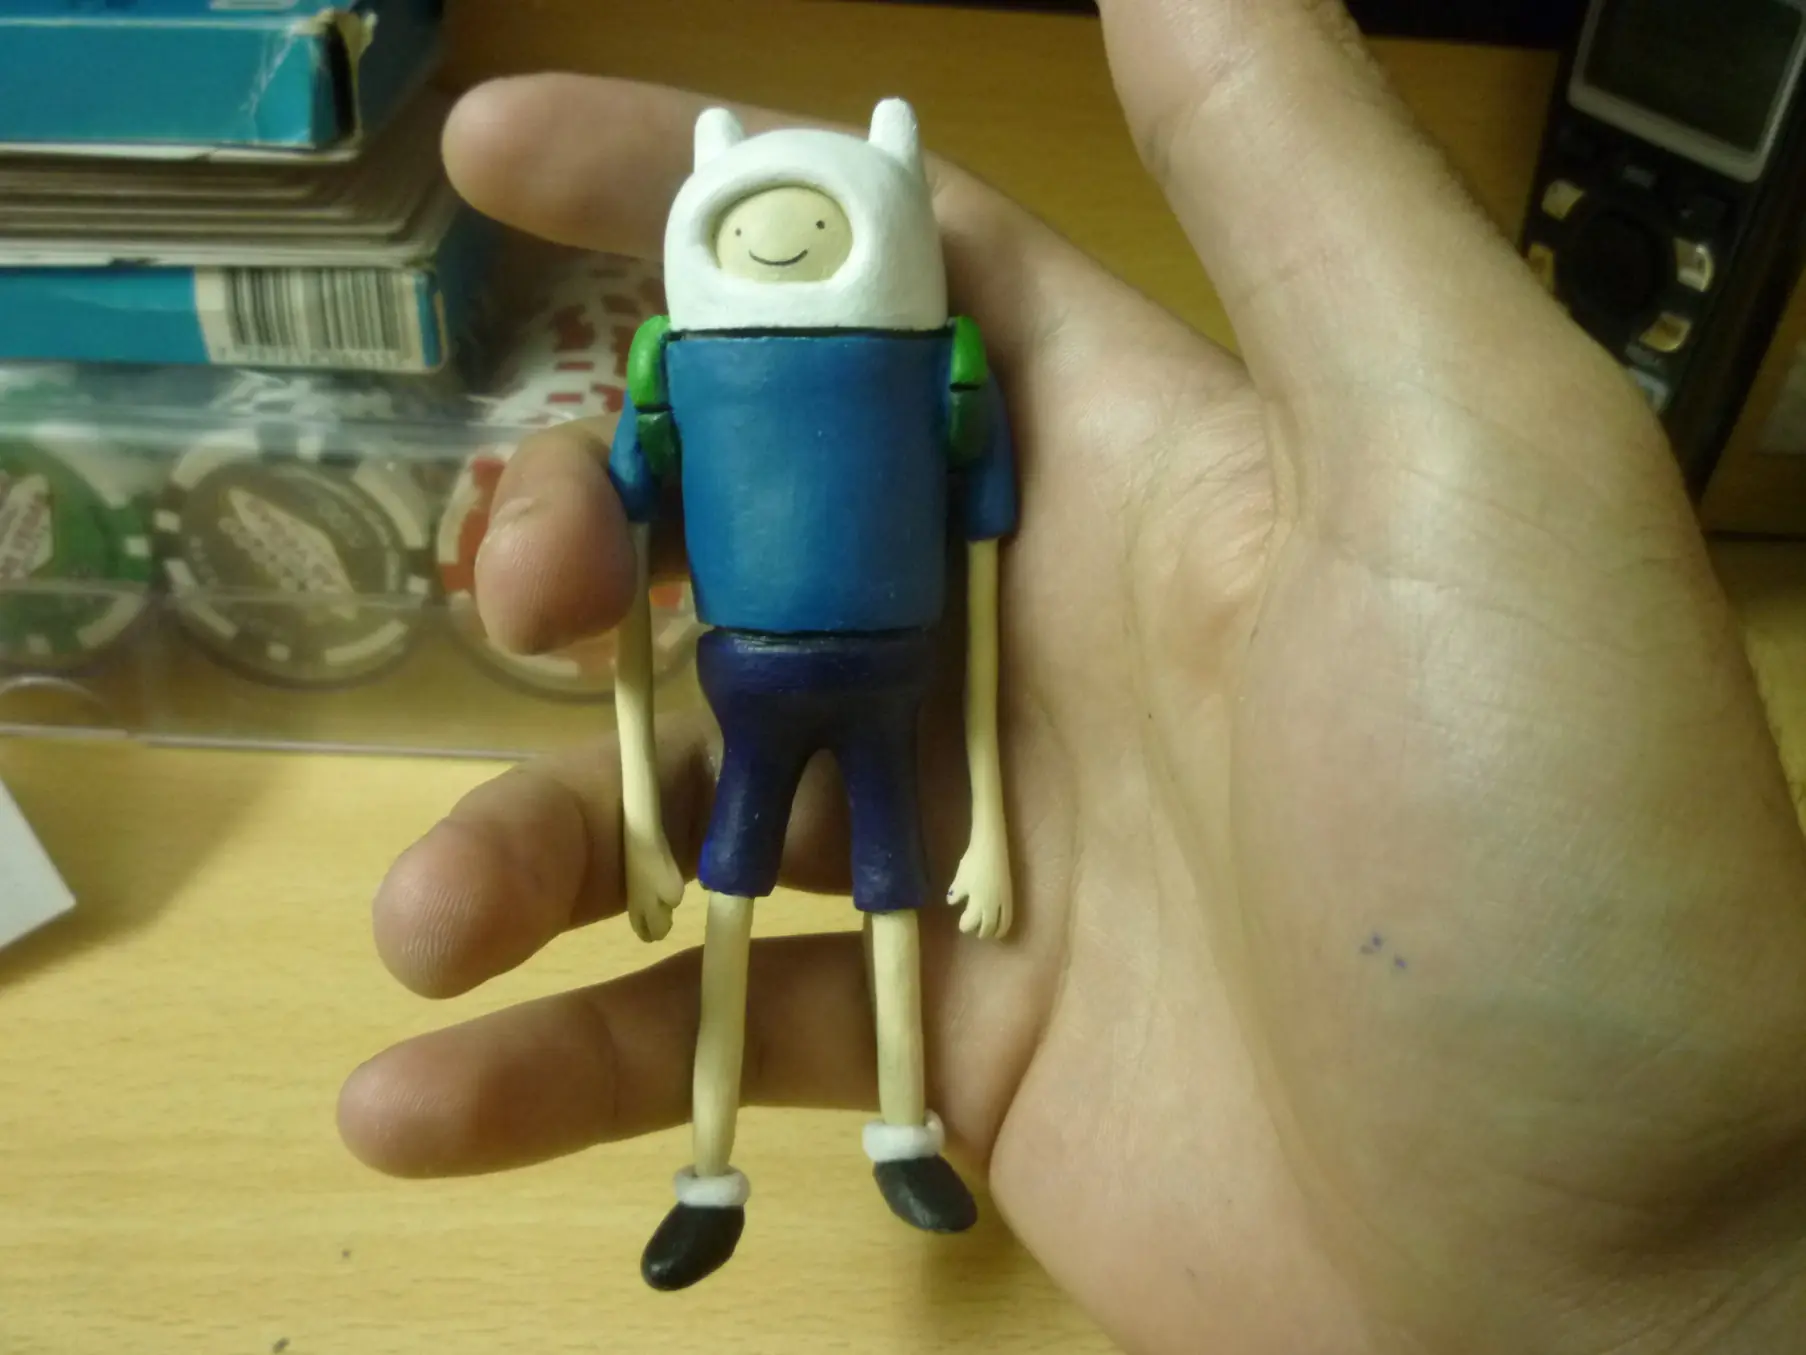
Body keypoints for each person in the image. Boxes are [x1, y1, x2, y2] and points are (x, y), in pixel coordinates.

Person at [335, 1, 1806, 1350]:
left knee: (896, 902)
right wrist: (643, 817)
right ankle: (708, 1170)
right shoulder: (678, 369)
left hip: (897, 672)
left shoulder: (937, 372)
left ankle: (902, 1131)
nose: (783, 243)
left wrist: (987, 809)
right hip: (746, 677)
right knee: (728, 905)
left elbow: (984, 574)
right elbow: (621, 558)